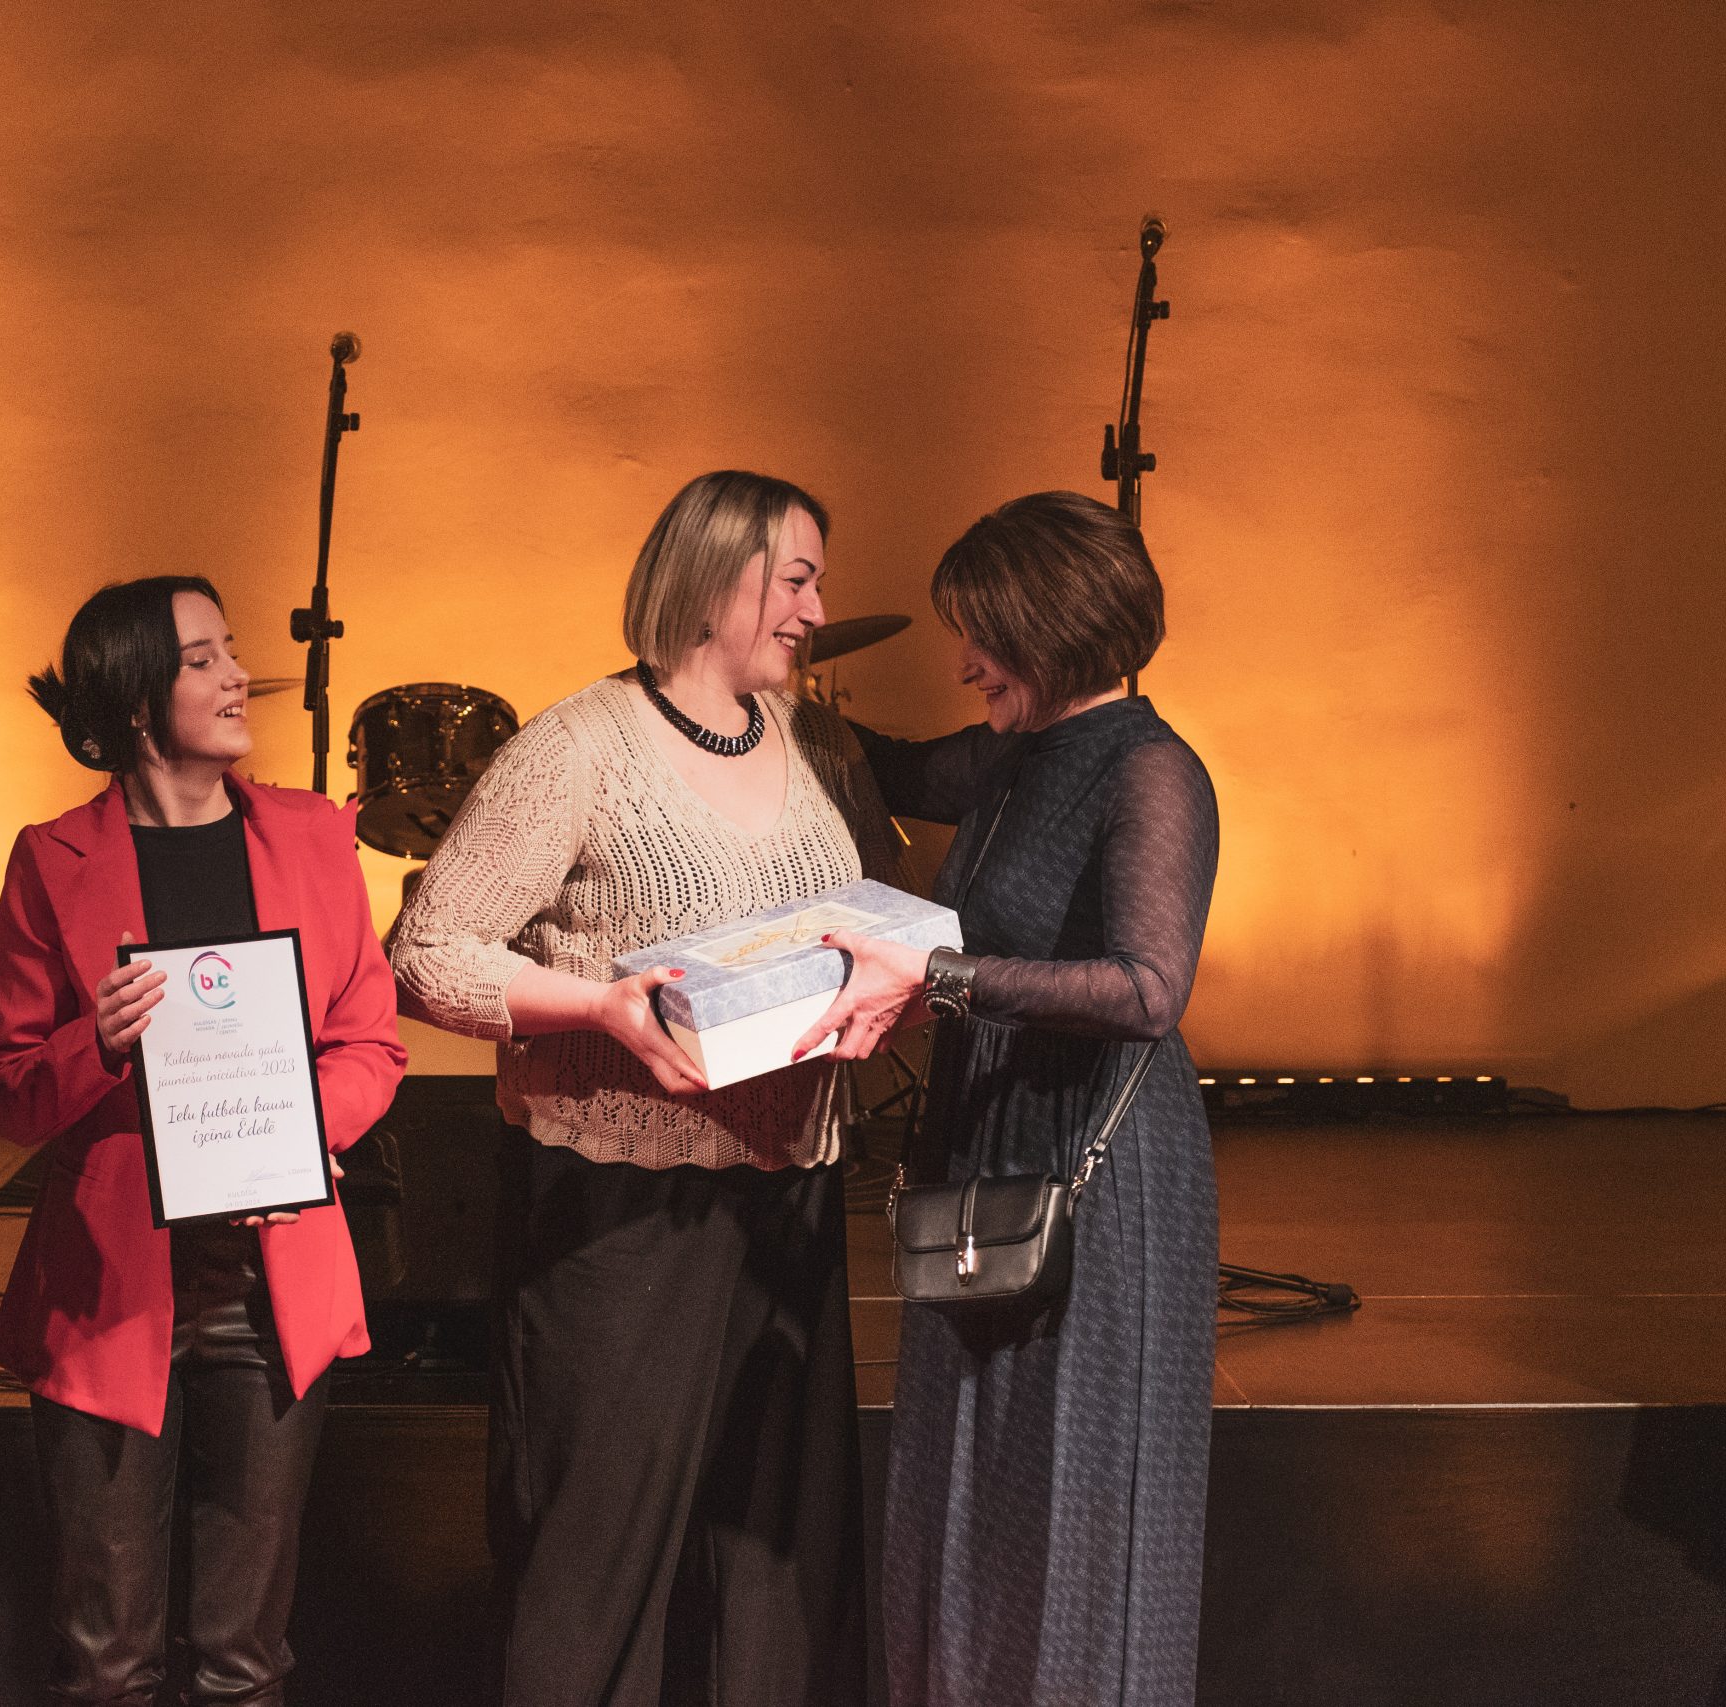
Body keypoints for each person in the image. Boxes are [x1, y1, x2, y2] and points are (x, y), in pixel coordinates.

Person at [388, 470, 901, 1707]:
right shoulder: (577, 749)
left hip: (786, 1196)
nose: (814, 610)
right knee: (600, 1560)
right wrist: (601, 1010)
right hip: (622, 1208)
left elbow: (858, 909)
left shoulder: (810, 740)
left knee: (777, 1566)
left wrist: (887, 978)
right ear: (713, 580)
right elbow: (428, 952)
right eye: (795, 581)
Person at [791, 491, 1220, 1707]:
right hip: (989, 1134)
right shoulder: (1014, 755)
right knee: (971, 1478)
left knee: (1075, 1493)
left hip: (1097, 1165)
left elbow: (1146, 990)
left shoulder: (1149, 770)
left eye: (983, 635)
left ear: (1052, 626)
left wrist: (935, 974)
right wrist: (768, 681)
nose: (965, 662)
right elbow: (886, 767)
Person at [0, 575, 406, 1707]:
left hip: (272, 1278)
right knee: (107, 1657)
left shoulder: (314, 835)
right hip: (113, 1286)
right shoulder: (52, 859)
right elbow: (13, 1094)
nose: (238, 677)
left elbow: (370, 1043)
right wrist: (95, 1043)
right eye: (204, 658)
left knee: (246, 1656)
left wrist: (305, 1132)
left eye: (232, 650)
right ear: (134, 700)